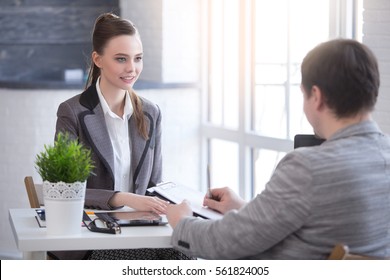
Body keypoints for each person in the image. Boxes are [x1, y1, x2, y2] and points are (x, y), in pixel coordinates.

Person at [166, 39, 390, 259]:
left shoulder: (308, 168)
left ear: (317, 97)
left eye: (303, 95)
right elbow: (315, 221)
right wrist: (245, 208)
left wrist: (182, 223)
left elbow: (227, 241)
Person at [54, 12, 189, 260]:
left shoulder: (151, 113)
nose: (132, 68)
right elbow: (65, 191)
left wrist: (174, 205)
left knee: (188, 252)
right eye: (121, 59)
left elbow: (154, 187)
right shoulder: (71, 112)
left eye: (138, 59)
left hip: (141, 231)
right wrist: (122, 198)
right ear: (98, 59)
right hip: (92, 237)